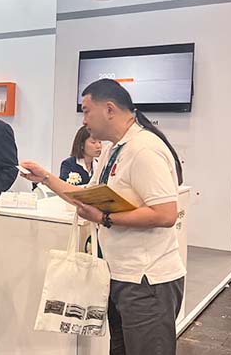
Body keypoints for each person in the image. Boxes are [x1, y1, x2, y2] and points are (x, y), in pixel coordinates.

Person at [20, 78, 185, 355]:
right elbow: (87, 196)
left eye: (86, 110)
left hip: (147, 281)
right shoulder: (113, 149)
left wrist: (105, 218)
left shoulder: (144, 149)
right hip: (120, 275)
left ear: (109, 109)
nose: (83, 120)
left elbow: (165, 214)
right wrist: (46, 178)